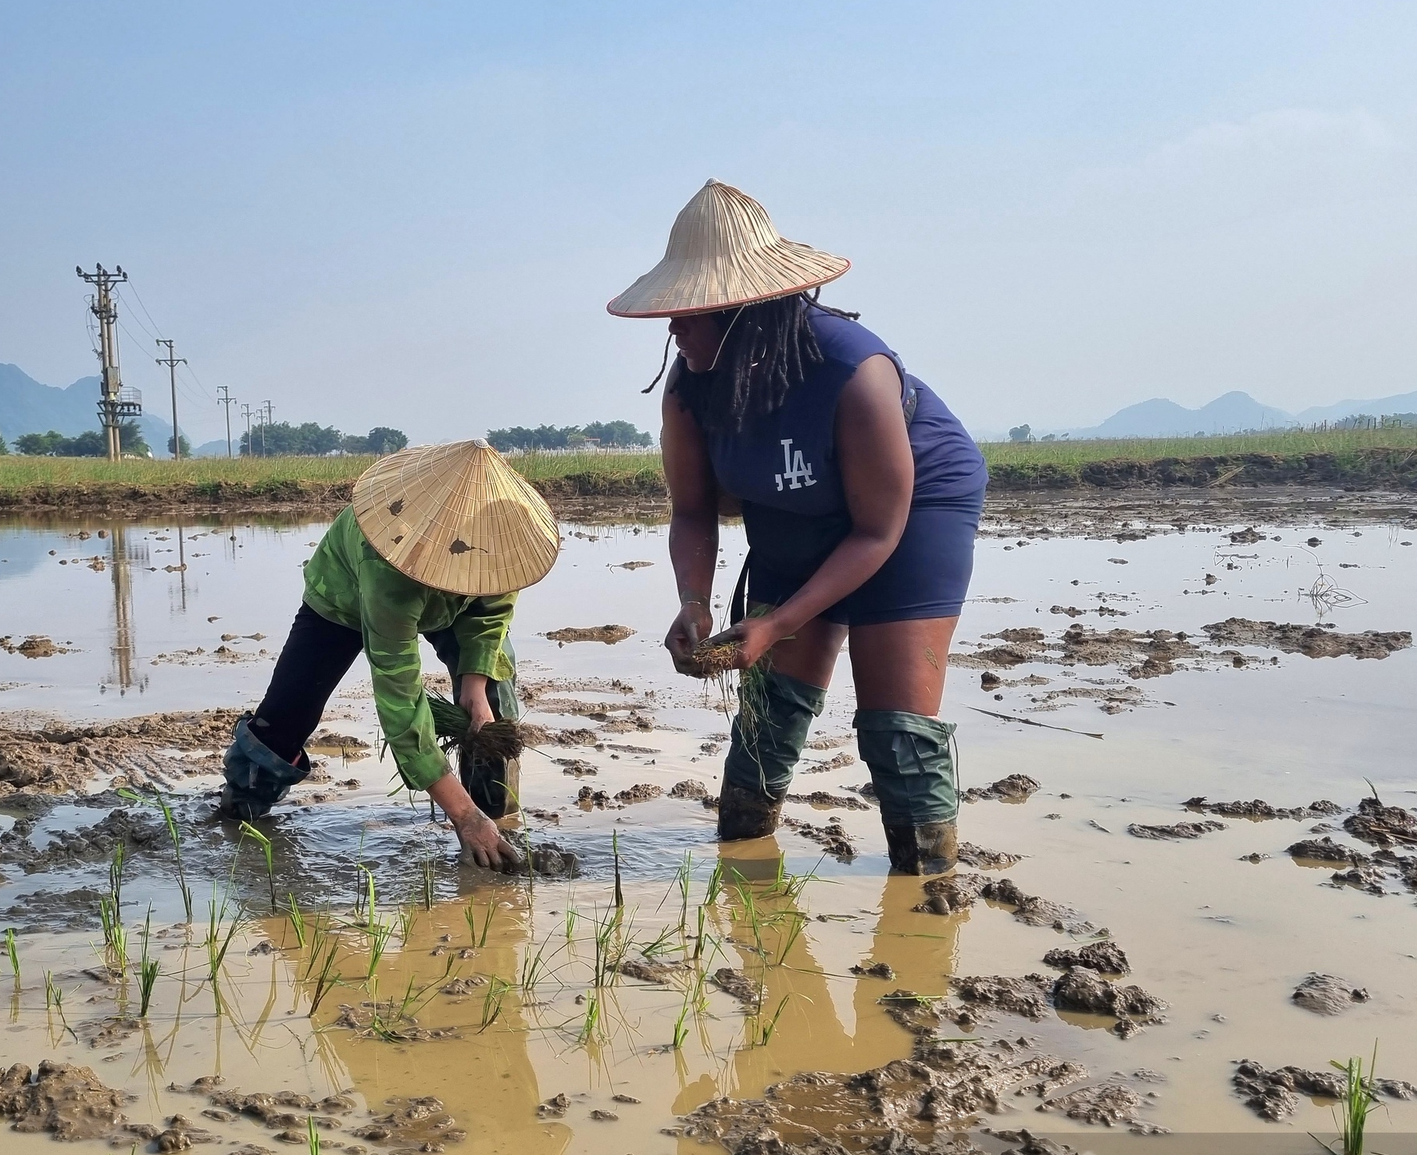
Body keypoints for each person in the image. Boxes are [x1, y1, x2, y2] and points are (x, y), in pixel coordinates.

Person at [609, 179, 987, 874]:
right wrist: (693, 601)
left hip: (910, 516)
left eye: (690, 311)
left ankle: (927, 890)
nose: (673, 326)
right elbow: (693, 510)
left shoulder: (852, 373)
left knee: (898, 734)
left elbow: (877, 532)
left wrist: (780, 622)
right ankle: (746, 866)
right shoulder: (691, 385)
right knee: (767, 719)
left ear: (744, 311)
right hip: (790, 514)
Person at [215, 438, 559, 869]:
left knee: (494, 702)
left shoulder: (503, 537)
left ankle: (494, 823)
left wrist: (474, 682)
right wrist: (460, 815)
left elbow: (493, 609)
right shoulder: (387, 568)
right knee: (287, 717)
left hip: (453, 611)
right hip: (341, 602)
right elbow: (400, 696)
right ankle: (241, 808)